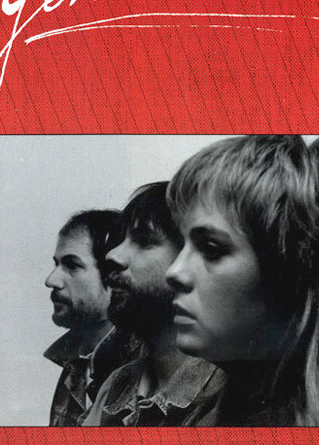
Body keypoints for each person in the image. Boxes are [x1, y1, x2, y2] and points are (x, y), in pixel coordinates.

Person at [165, 135, 319, 426]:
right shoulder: (202, 416)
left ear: (292, 273)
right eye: (182, 245)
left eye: (211, 249)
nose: (174, 272)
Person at [83, 182, 225, 427]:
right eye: (119, 240)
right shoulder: (116, 387)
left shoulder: (232, 396)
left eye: (143, 240)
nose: (112, 255)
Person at [44, 210, 140, 426]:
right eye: (56, 264)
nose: (51, 280)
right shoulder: (77, 364)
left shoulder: (146, 368)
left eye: (72, 265)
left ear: (114, 276)